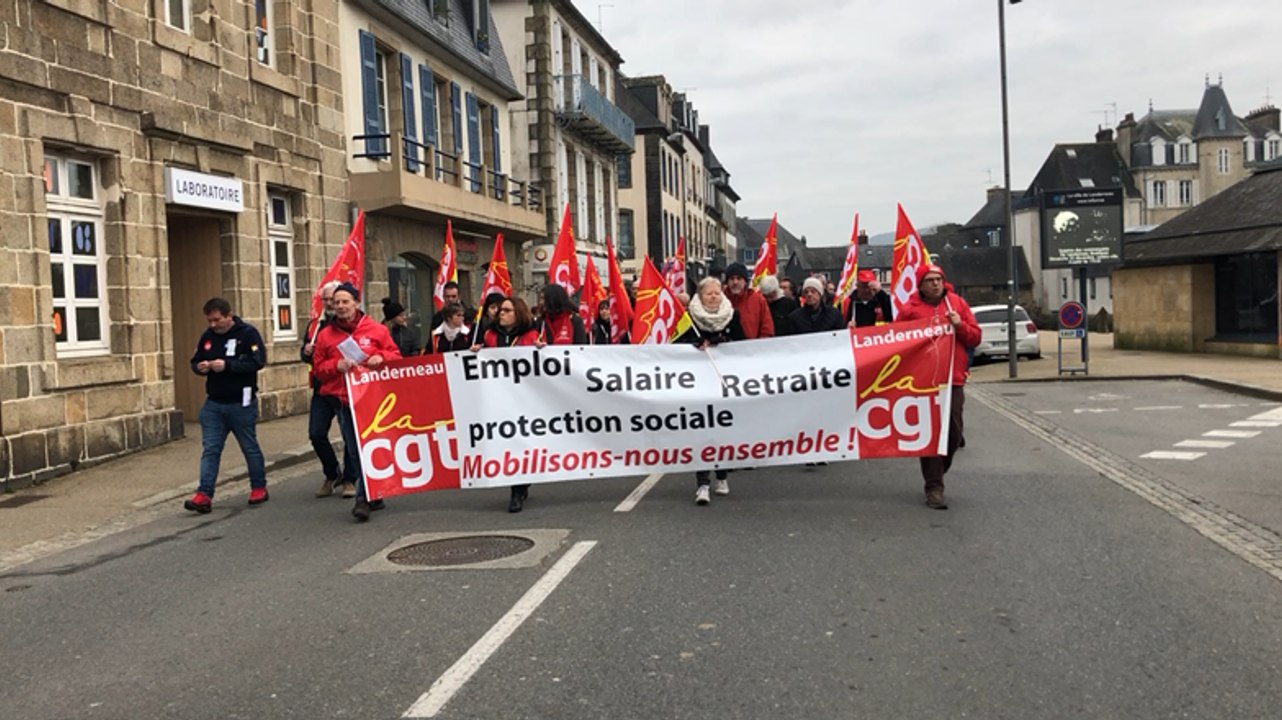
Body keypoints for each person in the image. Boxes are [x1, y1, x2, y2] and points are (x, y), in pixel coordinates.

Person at [893, 263, 981, 510]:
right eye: (930, 280)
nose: (935, 284)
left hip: (952, 379)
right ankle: (934, 487)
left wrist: (960, 326)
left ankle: (938, 472)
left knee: (954, 433)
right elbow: (894, 341)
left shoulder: (957, 304)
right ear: (921, 285)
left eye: (938, 279)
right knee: (931, 434)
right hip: (922, 382)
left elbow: (975, 337)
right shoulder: (910, 310)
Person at [312, 282, 403, 521]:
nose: (341, 306)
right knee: (354, 450)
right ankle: (370, 494)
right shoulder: (325, 335)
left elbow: (396, 356)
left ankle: (366, 496)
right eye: (337, 302)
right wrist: (336, 366)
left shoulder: (376, 330)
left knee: (372, 447)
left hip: (374, 400)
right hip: (344, 400)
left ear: (356, 303)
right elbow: (318, 370)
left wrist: (380, 357)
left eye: (345, 302)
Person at [183, 298, 269, 514]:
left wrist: (228, 365)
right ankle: (204, 494)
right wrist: (200, 367)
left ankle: (258, 487)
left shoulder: (248, 333)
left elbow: (257, 361)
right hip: (214, 403)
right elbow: (195, 360)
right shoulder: (208, 336)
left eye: (217, 320)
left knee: (249, 447)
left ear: (229, 316)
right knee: (210, 449)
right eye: (209, 321)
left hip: (241, 402)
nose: (213, 324)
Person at [674, 277, 745, 505]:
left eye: (716, 293)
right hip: (697, 382)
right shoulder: (688, 317)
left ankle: (722, 476)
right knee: (702, 431)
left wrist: (721, 341)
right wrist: (694, 344)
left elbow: (743, 344)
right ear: (700, 296)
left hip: (723, 380)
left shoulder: (733, 315)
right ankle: (702, 483)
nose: (713, 297)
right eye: (708, 293)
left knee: (722, 430)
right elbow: (675, 345)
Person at [471, 296, 543, 512]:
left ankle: (518, 488)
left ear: (518, 313)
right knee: (508, 441)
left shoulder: (532, 335)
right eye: (500, 309)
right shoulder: (490, 335)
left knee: (521, 440)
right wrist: (476, 352)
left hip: (524, 398)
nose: (500, 313)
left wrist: (543, 351)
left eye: (507, 310)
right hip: (499, 397)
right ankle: (518, 484)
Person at [301, 281, 352, 498]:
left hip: (346, 388)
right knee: (316, 433)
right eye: (326, 300)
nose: (331, 304)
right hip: (322, 388)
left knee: (349, 436)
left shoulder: (350, 323)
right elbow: (307, 357)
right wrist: (306, 352)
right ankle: (332, 473)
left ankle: (350, 479)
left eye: (334, 299)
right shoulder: (315, 326)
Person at [722, 262, 773, 340]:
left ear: (745, 281)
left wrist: (760, 345)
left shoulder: (758, 300)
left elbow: (767, 329)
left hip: (753, 346)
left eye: (739, 278)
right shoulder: (720, 299)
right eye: (732, 279)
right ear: (727, 282)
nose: (735, 282)